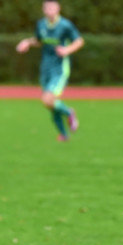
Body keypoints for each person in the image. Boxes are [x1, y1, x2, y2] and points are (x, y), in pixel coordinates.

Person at [15, 0, 83, 142]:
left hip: (59, 68)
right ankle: (64, 134)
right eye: (47, 7)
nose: (50, 10)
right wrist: (27, 42)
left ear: (58, 8)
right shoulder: (41, 24)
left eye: (53, 7)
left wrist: (67, 50)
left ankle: (68, 112)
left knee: (47, 99)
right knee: (51, 104)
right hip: (45, 67)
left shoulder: (65, 25)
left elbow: (79, 41)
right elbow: (39, 40)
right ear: (44, 9)